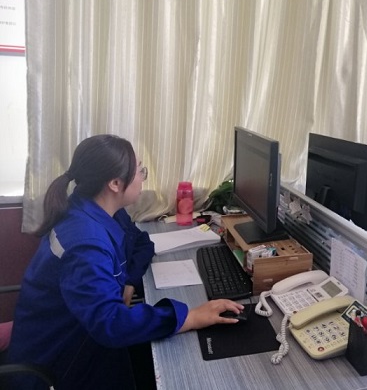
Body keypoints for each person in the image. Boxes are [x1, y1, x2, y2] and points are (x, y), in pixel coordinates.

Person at [8, 134, 244, 389]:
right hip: (61, 362)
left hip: (85, 335)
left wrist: (129, 281)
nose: (143, 177)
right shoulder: (86, 244)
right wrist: (191, 317)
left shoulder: (96, 208)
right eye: (140, 170)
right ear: (114, 183)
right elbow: (111, 323)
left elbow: (140, 242)